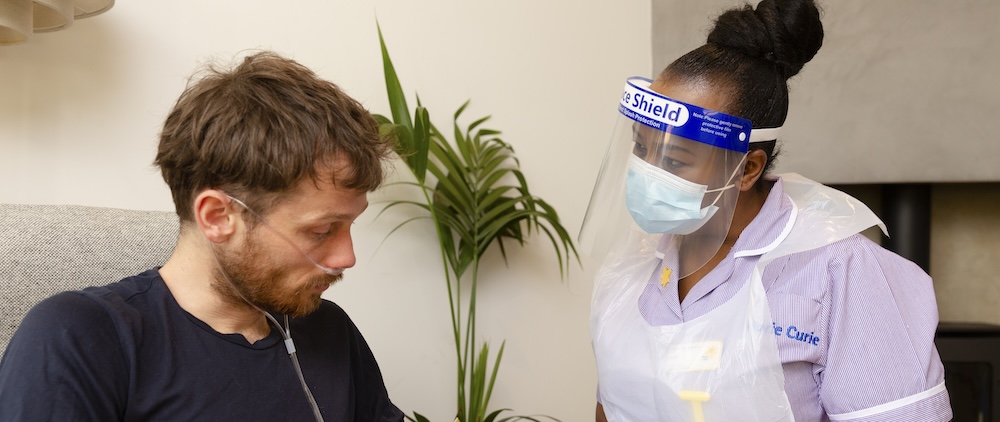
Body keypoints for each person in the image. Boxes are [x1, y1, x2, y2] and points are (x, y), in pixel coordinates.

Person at [579, 0, 952, 420]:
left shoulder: (839, 269)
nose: (647, 171)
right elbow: (610, 406)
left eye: (675, 159)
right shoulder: (633, 264)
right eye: (641, 147)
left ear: (747, 168)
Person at [0, 51, 404, 421]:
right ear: (218, 216)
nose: (346, 257)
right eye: (321, 230)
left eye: (350, 225)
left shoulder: (329, 330)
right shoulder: (79, 337)